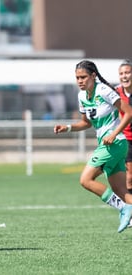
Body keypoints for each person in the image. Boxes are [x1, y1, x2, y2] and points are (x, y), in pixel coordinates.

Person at [54, 60, 132, 233]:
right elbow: (86, 123)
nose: (80, 81)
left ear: (93, 76)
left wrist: (113, 133)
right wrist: (67, 128)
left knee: (85, 180)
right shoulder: (82, 96)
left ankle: (124, 209)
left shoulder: (103, 90)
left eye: (83, 77)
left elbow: (128, 113)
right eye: (77, 78)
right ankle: (127, 206)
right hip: (111, 144)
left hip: (115, 142)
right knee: (120, 190)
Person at [116, 59, 132, 194]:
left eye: (127, 72)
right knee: (129, 177)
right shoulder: (115, 93)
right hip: (127, 139)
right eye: (121, 74)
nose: (124, 76)